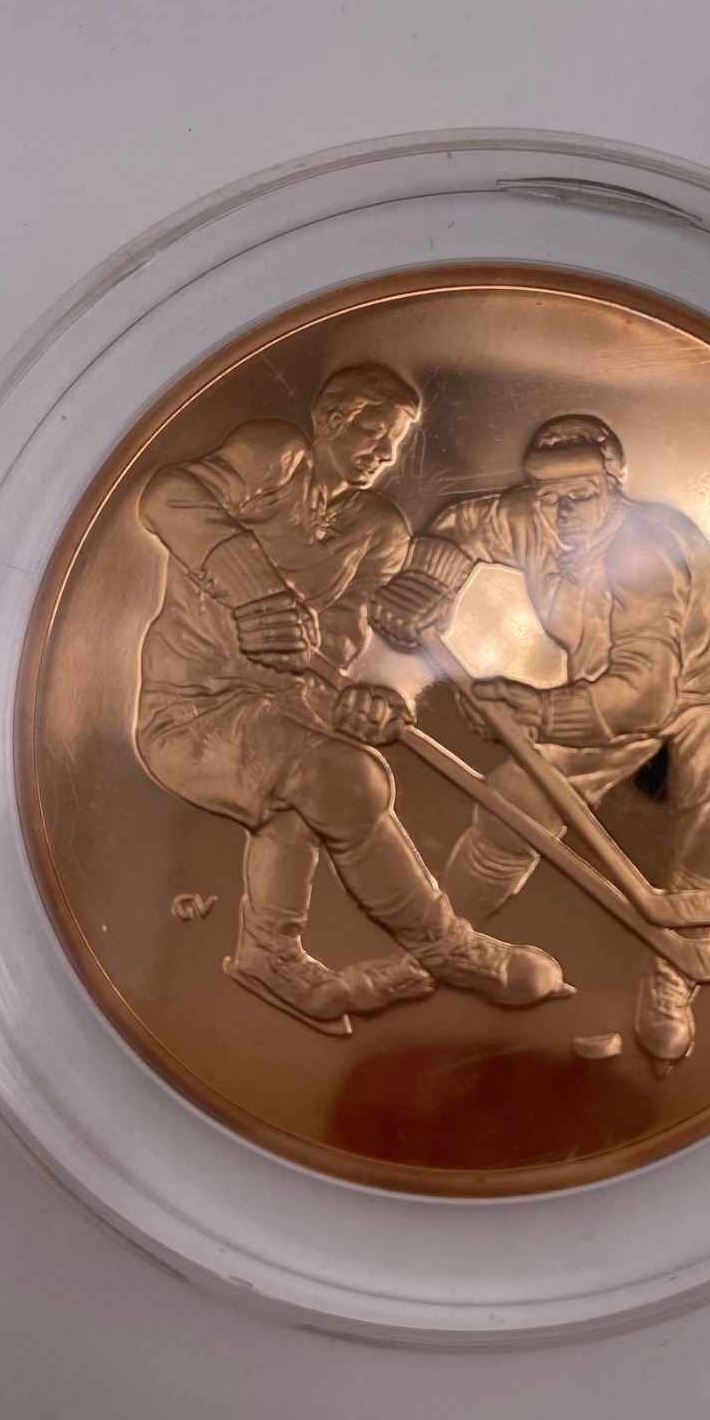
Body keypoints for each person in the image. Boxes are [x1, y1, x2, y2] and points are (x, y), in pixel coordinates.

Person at [134, 361, 567, 1030]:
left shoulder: (379, 530)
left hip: (277, 716)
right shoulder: (277, 455)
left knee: (311, 787)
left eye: (395, 443)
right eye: (374, 432)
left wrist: (358, 706)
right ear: (333, 419)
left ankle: (267, 954)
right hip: (192, 711)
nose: (385, 453)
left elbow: (331, 657)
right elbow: (167, 495)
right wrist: (255, 592)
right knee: (346, 780)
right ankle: (446, 948)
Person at [369, 412, 710, 1064]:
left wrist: (537, 713)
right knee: (517, 800)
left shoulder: (647, 553)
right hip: (607, 678)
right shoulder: (528, 517)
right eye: (549, 495)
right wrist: (427, 583)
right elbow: (459, 528)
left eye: (583, 495)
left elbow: (646, 695)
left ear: (613, 487)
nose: (564, 511)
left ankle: (674, 973)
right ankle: (441, 944)